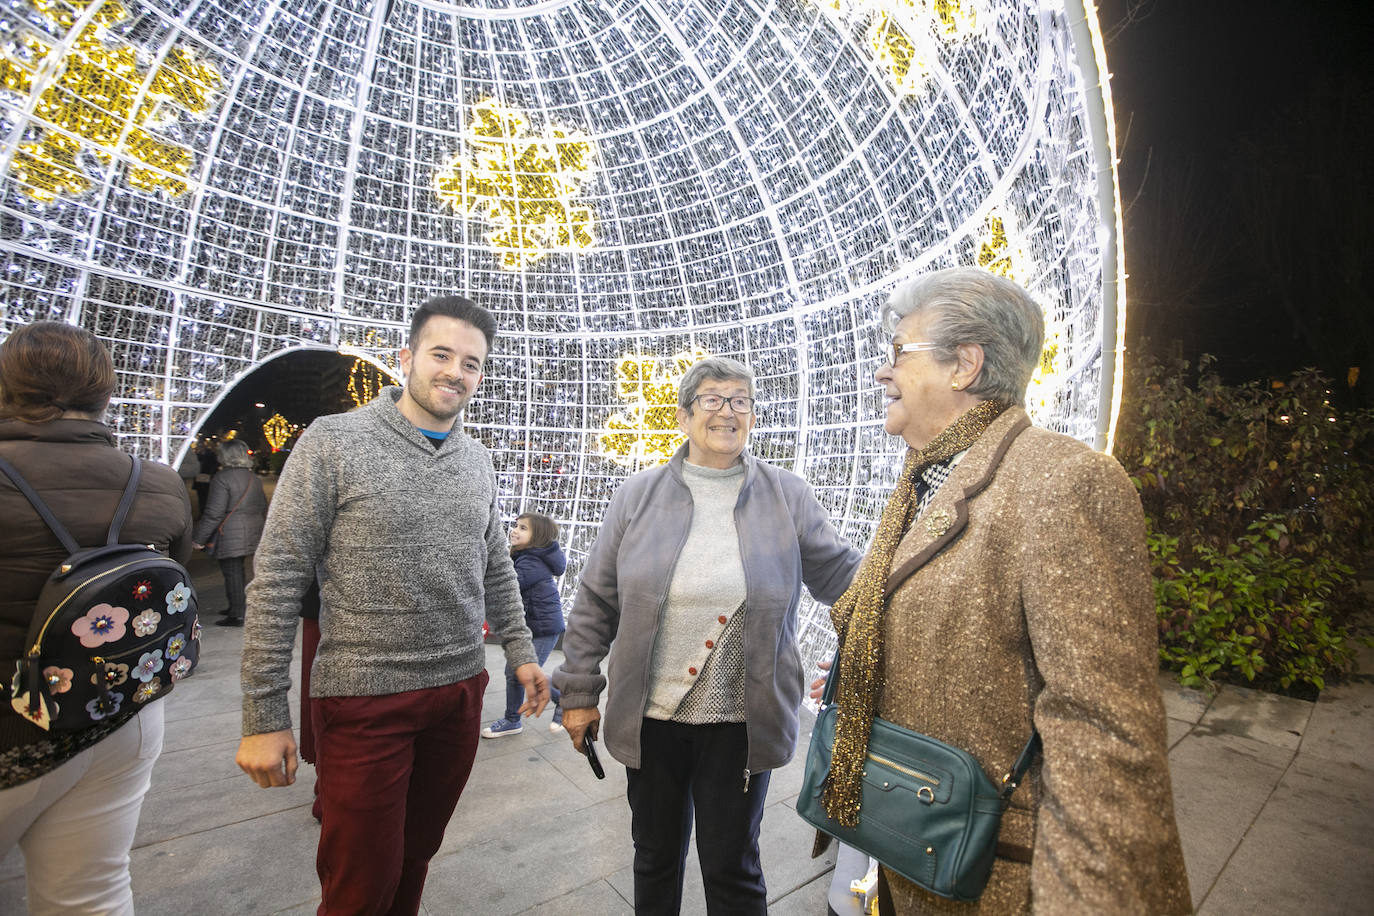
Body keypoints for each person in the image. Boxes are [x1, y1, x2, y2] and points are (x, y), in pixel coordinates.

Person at [811, 267, 1190, 914]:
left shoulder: (1064, 482)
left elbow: (1101, 736)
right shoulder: (923, 482)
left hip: (993, 880)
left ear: (964, 365)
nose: (881, 372)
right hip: (906, 855)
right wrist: (872, 672)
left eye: (898, 352)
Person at [234, 295, 550, 915]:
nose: (455, 372)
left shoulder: (477, 460)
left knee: (416, 856)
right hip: (364, 697)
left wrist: (520, 650)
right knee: (359, 882)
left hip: (458, 693)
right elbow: (276, 579)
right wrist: (263, 714)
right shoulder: (334, 442)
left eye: (471, 363)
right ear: (405, 358)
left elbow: (495, 566)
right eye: (441, 354)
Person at [553, 356, 863, 916]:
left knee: (732, 866)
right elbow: (596, 599)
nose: (728, 412)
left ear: (752, 415)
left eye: (741, 400)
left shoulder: (786, 495)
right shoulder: (637, 495)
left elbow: (845, 578)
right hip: (651, 720)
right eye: (713, 399)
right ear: (683, 415)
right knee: (654, 856)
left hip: (742, 724)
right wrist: (577, 692)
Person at [0, 321, 192, 914]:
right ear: (104, 394)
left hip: (12, 728)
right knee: (92, 895)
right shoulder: (156, 483)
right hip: (119, 714)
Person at [482, 512, 567, 738]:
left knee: (518, 672)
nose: (514, 530)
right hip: (536, 626)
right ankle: (517, 717)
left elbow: (509, 586)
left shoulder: (532, 561)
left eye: (523, 528)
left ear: (538, 535)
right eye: (516, 525)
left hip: (543, 629)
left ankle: (515, 719)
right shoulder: (525, 556)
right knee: (518, 672)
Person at [192, 438, 267, 627]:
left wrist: (199, 538)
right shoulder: (254, 478)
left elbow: (214, 512)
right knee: (238, 570)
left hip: (231, 531)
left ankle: (237, 613)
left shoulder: (222, 478)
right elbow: (263, 506)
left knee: (232, 572)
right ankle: (237, 605)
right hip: (253, 529)